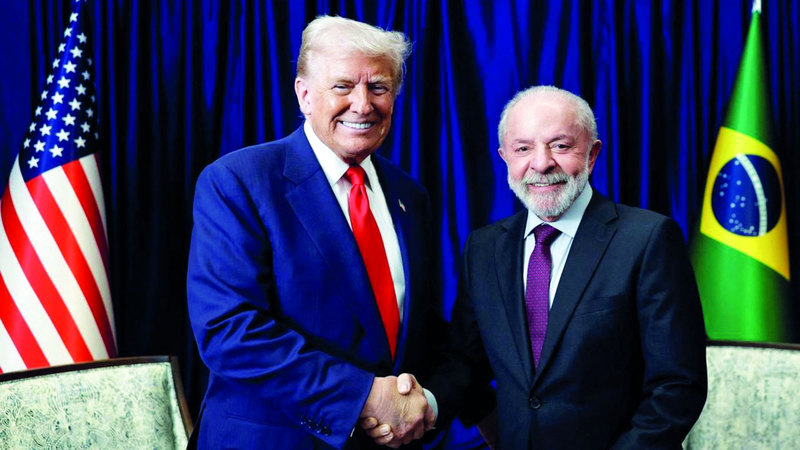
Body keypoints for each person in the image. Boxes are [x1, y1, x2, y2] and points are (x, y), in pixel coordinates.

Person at [395, 86, 708, 448]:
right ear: (505, 158)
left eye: (560, 146)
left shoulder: (648, 239)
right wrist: (425, 405)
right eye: (523, 149)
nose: (541, 163)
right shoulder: (484, 249)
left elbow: (677, 386)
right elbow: (465, 363)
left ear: (592, 154)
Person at [187, 15, 442, 448]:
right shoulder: (238, 181)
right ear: (304, 94)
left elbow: (421, 332)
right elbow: (229, 329)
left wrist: (426, 403)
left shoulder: (410, 197)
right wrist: (364, 396)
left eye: (379, 88)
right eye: (342, 86)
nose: (362, 104)